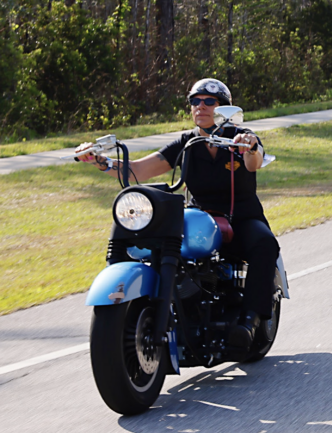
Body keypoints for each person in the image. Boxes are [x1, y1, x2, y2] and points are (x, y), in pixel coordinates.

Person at [74, 78, 279, 349]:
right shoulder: (187, 143)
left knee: (265, 243)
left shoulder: (240, 138)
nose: (200, 107)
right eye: (195, 101)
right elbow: (138, 170)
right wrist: (101, 163)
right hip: (198, 219)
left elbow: (253, 162)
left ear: (225, 108)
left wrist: (250, 146)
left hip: (239, 218)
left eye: (209, 102)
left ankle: (249, 320)